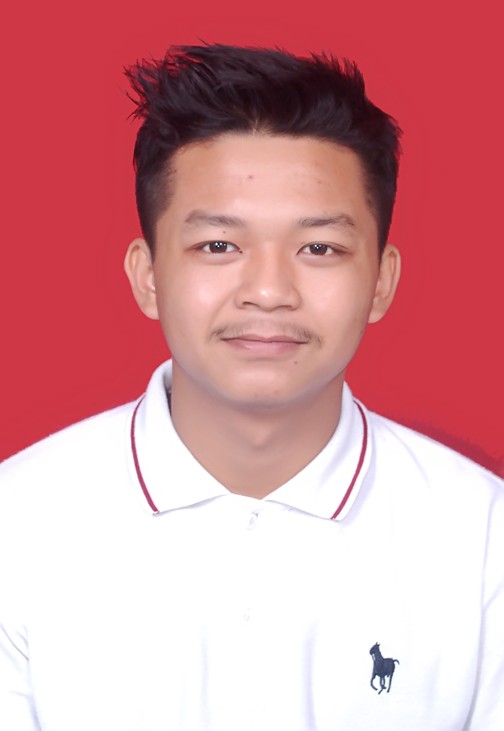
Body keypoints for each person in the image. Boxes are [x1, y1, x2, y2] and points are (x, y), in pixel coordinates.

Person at [0, 44, 502, 731]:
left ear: (382, 281)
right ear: (148, 276)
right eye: (219, 246)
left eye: (319, 248)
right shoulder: (18, 524)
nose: (268, 291)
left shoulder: (482, 539)